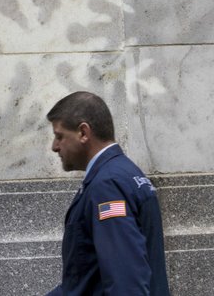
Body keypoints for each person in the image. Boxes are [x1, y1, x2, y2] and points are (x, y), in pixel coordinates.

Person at [45, 91, 170, 295]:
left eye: (60, 136)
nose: (55, 147)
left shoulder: (108, 185)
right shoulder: (123, 173)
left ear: (83, 133)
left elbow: (126, 283)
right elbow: (86, 278)